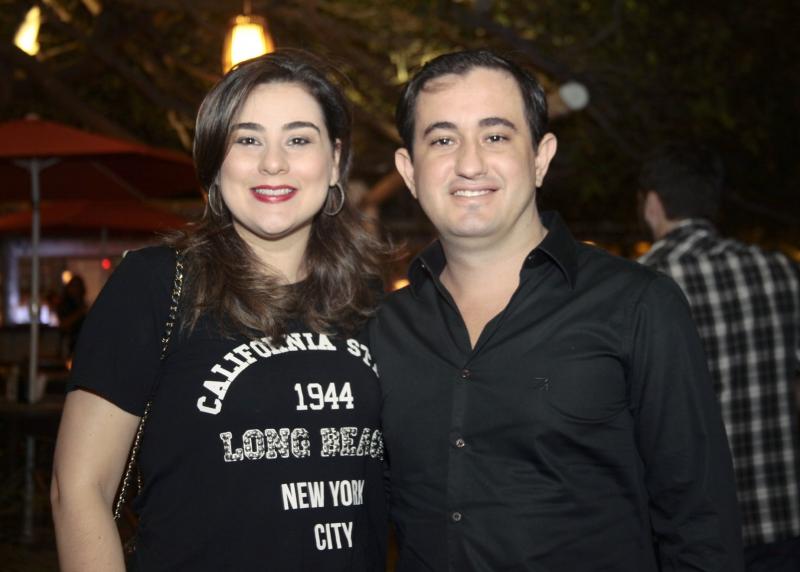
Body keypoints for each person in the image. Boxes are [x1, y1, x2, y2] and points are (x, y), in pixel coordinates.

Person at [369, 49, 744, 571]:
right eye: (443, 140)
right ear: (409, 171)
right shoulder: (382, 330)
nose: (470, 163)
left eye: (496, 136)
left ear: (541, 158)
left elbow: (701, 528)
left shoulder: (637, 305)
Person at [51, 51, 387, 572]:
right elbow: (79, 489)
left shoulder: (369, 299)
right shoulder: (156, 283)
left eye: (299, 140)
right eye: (247, 140)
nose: (272, 163)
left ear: (335, 159)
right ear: (215, 161)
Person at [638, 144, 800, 572]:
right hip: (786, 514)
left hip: (697, 529)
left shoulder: (637, 287)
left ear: (653, 204)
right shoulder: (781, 272)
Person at [56, 274, 88, 356]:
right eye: (74, 286)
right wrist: (80, 313)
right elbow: (63, 324)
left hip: (82, 344)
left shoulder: (82, 304)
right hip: (69, 344)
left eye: (78, 286)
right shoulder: (65, 305)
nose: (76, 289)